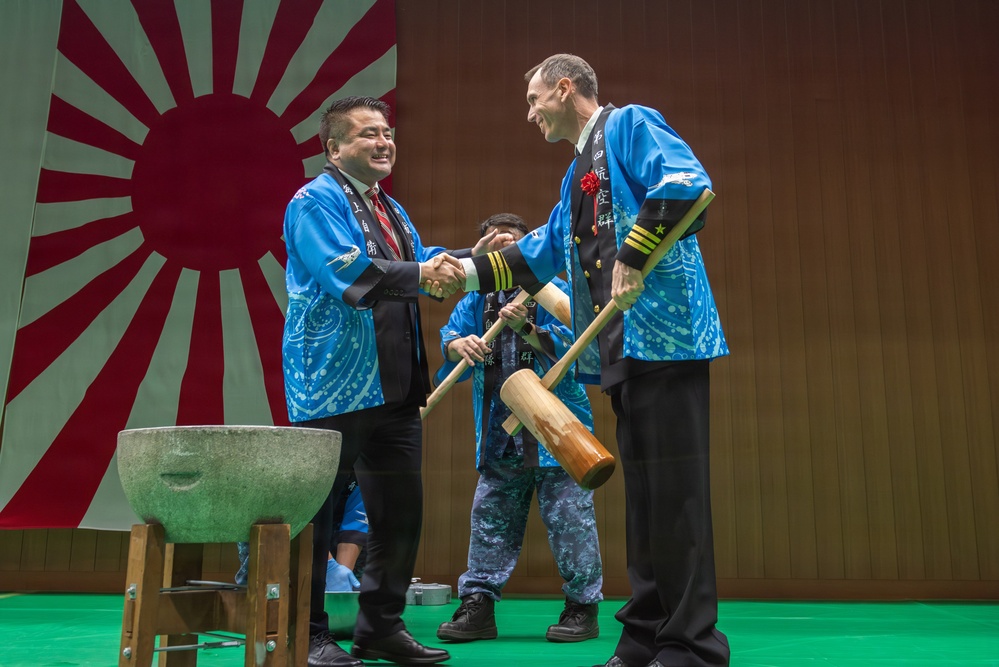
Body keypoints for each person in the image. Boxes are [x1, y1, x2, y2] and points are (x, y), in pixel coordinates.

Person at [458, 55, 730, 667]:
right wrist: (461, 274)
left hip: (666, 338)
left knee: (677, 497)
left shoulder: (630, 123)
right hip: (623, 350)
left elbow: (687, 184)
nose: (529, 114)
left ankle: (692, 646)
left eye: (533, 100)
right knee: (647, 499)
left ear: (563, 88)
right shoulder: (574, 175)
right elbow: (538, 254)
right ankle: (645, 636)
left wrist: (633, 254)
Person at [282, 96, 463, 667]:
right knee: (319, 516)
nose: (384, 141)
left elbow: (418, 260)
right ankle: (307, 634)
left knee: (399, 513)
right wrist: (424, 271)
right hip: (334, 384)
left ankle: (380, 627)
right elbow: (345, 271)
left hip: (396, 386)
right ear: (333, 149)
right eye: (367, 134)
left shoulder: (389, 208)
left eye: (387, 132)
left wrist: (467, 260)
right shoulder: (314, 200)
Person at [434, 213, 603, 645]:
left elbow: (582, 345)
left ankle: (582, 607)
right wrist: (459, 345)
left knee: (570, 521)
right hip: (498, 434)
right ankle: (478, 605)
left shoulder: (553, 288)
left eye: (511, 244)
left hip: (556, 430)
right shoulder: (476, 298)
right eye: (493, 245)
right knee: (489, 521)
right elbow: (448, 338)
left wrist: (526, 328)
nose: (501, 252)